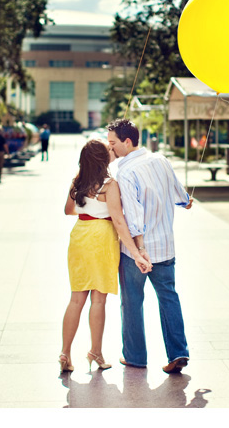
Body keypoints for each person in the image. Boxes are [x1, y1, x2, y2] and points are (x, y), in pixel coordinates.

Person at [106, 119, 193, 374]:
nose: (110, 149)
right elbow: (180, 195)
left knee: (132, 301)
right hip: (165, 246)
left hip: (136, 252)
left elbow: (133, 217)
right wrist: (187, 201)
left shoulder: (126, 172)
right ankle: (178, 352)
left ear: (127, 142)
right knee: (169, 298)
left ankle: (134, 356)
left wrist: (140, 249)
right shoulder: (161, 160)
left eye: (113, 144)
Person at [60, 139, 152, 374]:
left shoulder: (77, 181)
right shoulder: (109, 185)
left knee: (76, 299)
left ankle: (65, 352)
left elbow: (68, 210)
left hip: (80, 235)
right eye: (109, 151)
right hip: (101, 238)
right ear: (103, 160)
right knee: (98, 300)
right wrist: (136, 252)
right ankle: (96, 352)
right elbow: (119, 221)